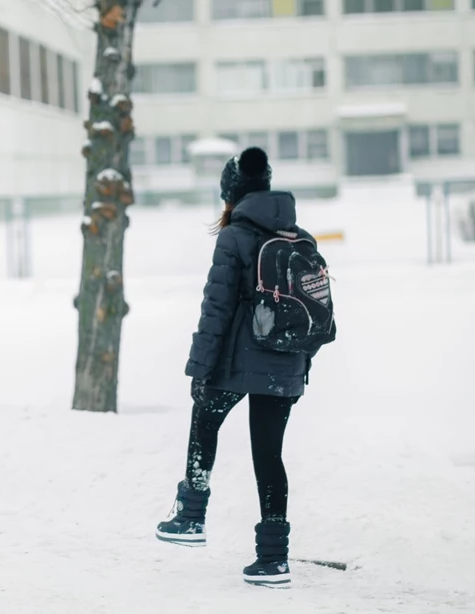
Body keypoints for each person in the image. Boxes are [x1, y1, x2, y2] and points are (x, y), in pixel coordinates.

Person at [155, 146, 323, 588]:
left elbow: (217, 309)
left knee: (204, 419)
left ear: (232, 194)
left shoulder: (234, 237)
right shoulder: (299, 236)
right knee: (269, 456)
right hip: (285, 365)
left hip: (237, 363)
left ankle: (191, 516)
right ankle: (273, 559)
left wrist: (200, 370)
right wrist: (297, 361)